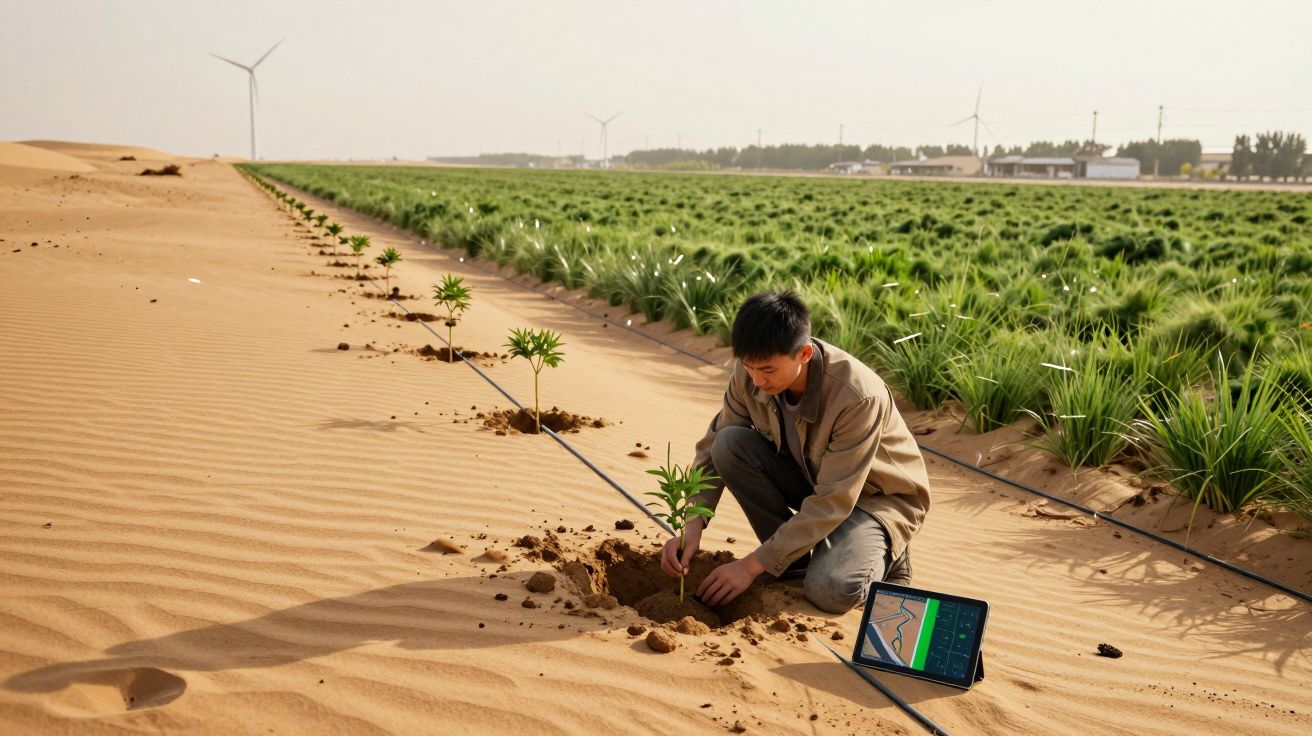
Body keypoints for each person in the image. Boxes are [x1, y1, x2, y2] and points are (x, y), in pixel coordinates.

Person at [660, 290, 931, 613]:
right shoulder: (749, 374)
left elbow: (834, 500)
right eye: (749, 367)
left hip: (876, 499)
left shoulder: (857, 397)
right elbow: (712, 448)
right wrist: (693, 523)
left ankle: (887, 551)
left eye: (768, 370)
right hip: (812, 478)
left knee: (831, 590)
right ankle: (791, 563)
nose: (757, 380)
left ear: (803, 354)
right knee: (729, 444)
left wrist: (750, 566)